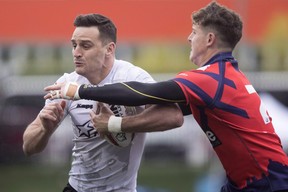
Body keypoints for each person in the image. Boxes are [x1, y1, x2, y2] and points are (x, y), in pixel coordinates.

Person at [44, 2, 288, 192]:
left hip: (266, 183)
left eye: (194, 32)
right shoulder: (228, 76)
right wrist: (115, 123)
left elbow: (146, 93)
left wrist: (80, 91)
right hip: (247, 181)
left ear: (210, 39)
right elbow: (167, 109)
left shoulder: (210, 79)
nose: (189, 38)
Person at [22, 13, 183, 192]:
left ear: (109, 49)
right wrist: (45, 129)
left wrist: (115, 125)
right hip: (77, 188)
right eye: (74, 45)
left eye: (85, 46)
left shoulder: (132, 76)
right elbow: (29, 147)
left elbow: (174, 116)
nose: (76, 52)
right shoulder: (68, 83)